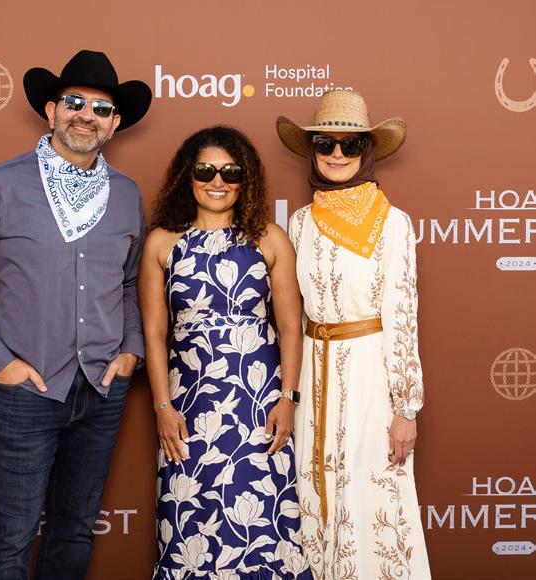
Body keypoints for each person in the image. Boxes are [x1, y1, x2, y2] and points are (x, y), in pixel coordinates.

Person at [0, 50, 151, 579]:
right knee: (9, 541)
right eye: (74, 102)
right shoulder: (2, 184)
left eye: (101, 108)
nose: (86, 115)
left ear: (114, 124)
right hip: (24, 393)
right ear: (51, 110)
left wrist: (131, 351)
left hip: (101, 391)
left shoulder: (126, 195)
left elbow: (128, 283)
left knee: (73, 533)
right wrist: (0, 362)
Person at [139, 126, 313, 579]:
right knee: (189, 519)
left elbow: (290, 328)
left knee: (262, 522)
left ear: (245, 179)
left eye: (230, 172)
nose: (217, 181)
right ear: (187, 176)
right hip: (188, 408)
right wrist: (162, 407)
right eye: (205, 171)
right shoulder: (162, 242)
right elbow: (154, 333)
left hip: (259, 405)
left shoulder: (269, 238)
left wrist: (287, 399)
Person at [276, 89, 431, 579]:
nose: (337, 154)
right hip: (313, 379)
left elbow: (402, 315)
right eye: (325, 143)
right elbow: (292, 316)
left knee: (371, 500)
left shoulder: (393, 223)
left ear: (367, 152)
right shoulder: (300, 222)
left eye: (351, 144)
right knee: (313, 495)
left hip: (370, 381)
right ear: (312, 152)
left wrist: (405, 408)